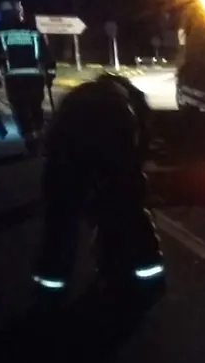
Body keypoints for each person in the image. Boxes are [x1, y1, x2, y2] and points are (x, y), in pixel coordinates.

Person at [32, 73, 165, 304]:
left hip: (65, 160)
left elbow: (52, 141)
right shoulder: (127, 105)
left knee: (61, 224)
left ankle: (50, 288)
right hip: (111, 155)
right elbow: (137, 150)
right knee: (128, 215)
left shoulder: (76, 98)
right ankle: (146, 278)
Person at [0, 0, 56, 154]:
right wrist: (51, 73)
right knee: (36, 106)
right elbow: (47, 54)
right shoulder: (33, 31)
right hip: (35, 77)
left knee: (20, 109)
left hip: (14, 78)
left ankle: (30, 139)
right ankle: (39, 136)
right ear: (19, 13)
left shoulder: (1, 32)